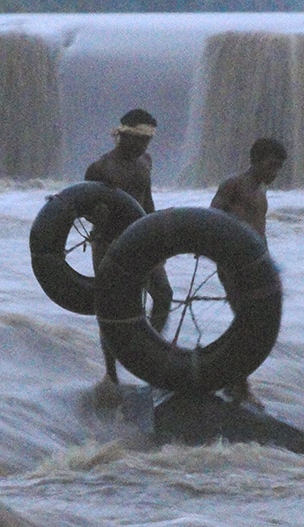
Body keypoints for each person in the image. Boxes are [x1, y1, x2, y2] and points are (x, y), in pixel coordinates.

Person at [84, 108, 173, 391]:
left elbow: (147, 201)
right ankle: (111, 373)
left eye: (148, 142)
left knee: (163, 294)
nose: (145, 147)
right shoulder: (101, 168)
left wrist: (159, 234)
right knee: (110, 308)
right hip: (109, 243)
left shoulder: (145, 161)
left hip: (142, 237)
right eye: (140, 140)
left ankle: (148, 354)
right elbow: (85, 208)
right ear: (124, 135)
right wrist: (99, 211)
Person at [209, 137, 287, 407]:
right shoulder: (234, 185)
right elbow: (212, 217)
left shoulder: (260, 194)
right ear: (256, 161)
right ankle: (237, 383)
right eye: (271, 166)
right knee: (245, 321)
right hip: (232, 262)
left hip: (253, 263)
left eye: (279, 168)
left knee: (252, 322)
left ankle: (236, 380)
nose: (274, 173)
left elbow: (260, 233)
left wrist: (269, 265)